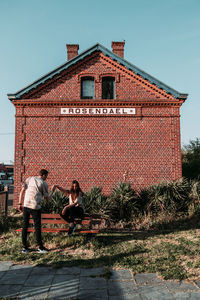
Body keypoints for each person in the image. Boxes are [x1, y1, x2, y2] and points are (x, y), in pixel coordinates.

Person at [18, 169, 56, 253]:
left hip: (26, 205)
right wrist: (52, 190)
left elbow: (22, 191)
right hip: (35, 206)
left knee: (25, 226)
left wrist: (19, 203)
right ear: (43, 175)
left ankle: (25, 248)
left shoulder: (29, 179)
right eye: (46, 176)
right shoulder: (43, 183)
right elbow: (48, 199)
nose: (46, 178)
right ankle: (41, 248)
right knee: (37, 227)